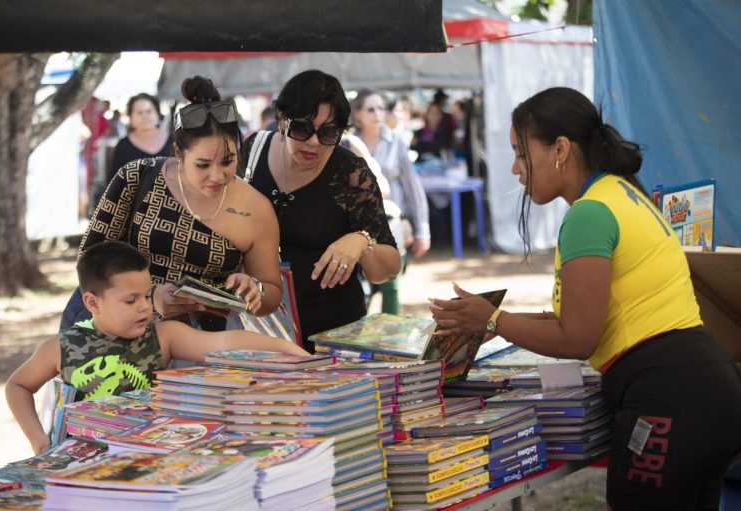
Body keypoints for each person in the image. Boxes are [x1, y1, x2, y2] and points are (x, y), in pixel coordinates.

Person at [430, 87, 741, 510]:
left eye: (521, 154)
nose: (515, 169)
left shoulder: (589, 213)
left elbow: (577, 338)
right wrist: (485, 319)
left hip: (668, 398)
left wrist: (493, 321)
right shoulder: (622, 193)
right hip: (706, 389)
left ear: (560, 148)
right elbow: (576, 313)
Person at [7, 241, 307, 455]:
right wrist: (38, 440)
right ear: (92, 303)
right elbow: (18, 385)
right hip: (81, 468)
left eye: (147, 295)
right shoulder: (61, 347)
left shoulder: (164, 336)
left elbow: (227, 342)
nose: (144, 307)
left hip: (148, 461)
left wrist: (285, 348)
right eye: (130, 300)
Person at [73, 76, 282, 331]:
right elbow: (90, 259)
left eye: (228, 161)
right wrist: (148, 298)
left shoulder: (256, 209)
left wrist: (253, 289)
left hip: (203, 347)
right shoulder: (137, 176)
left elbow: (271, 293)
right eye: (203, 165)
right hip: (123, 336)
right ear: (180, 153)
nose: (217, 175)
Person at [242, 70, 401, 351]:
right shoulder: (252, 150)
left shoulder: (350, 172)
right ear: (281, 120)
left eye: (329, 133)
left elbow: (387, 270)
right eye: (302, 128)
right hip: (261, 331)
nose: (314, 142)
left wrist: (362, 241)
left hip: (334, 334)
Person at [353, 89, 431, 314]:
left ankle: (391, 344)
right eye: (370, 108)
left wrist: (421, 229)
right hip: (358, 226)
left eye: (381, 108)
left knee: (391, 286)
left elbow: (413, 187)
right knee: (361, 289)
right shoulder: (348, 142)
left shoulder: (396, 141)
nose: (377, 113)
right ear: (357, 113)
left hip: (393, 221)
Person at [107, 93, 173, 184]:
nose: (145, 116)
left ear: (158, 114)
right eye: (139, 112)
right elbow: (113, 183)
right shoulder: (123, 146)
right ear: (131, 117)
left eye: (149, 111)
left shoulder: (175, 142)